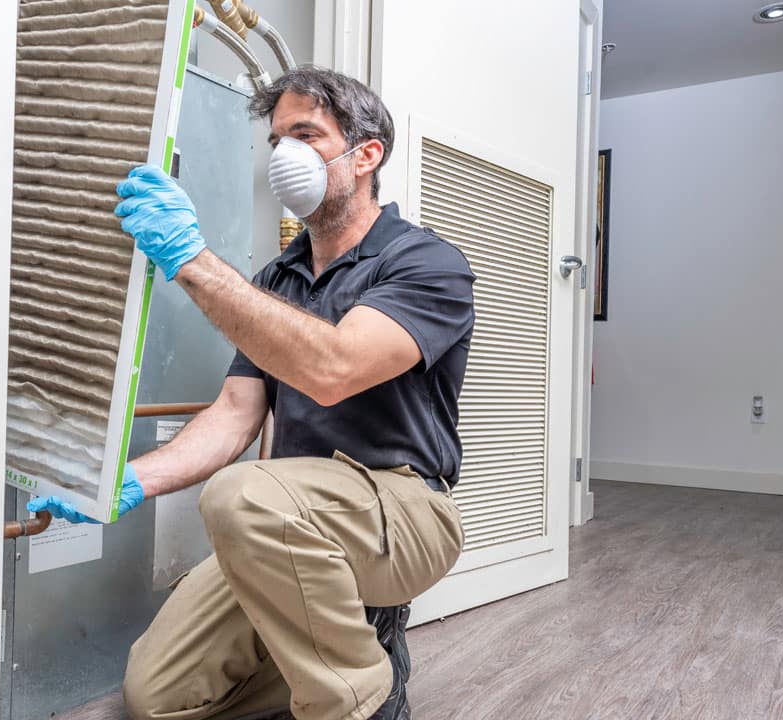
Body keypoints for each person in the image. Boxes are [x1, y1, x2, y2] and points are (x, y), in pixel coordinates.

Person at [30, 66, 474, 720]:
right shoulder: (278, 280)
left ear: (367, 154)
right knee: (156, 694)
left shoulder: (425, 262)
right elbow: (235, 414)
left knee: (241, 495)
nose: (283, 155)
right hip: (287, 517)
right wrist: (127, 479)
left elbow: (336, 366)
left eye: (305, 134)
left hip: (405, 510)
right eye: (275, 140)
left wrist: (192, 260)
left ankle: (362, 698)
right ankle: (336, 662)